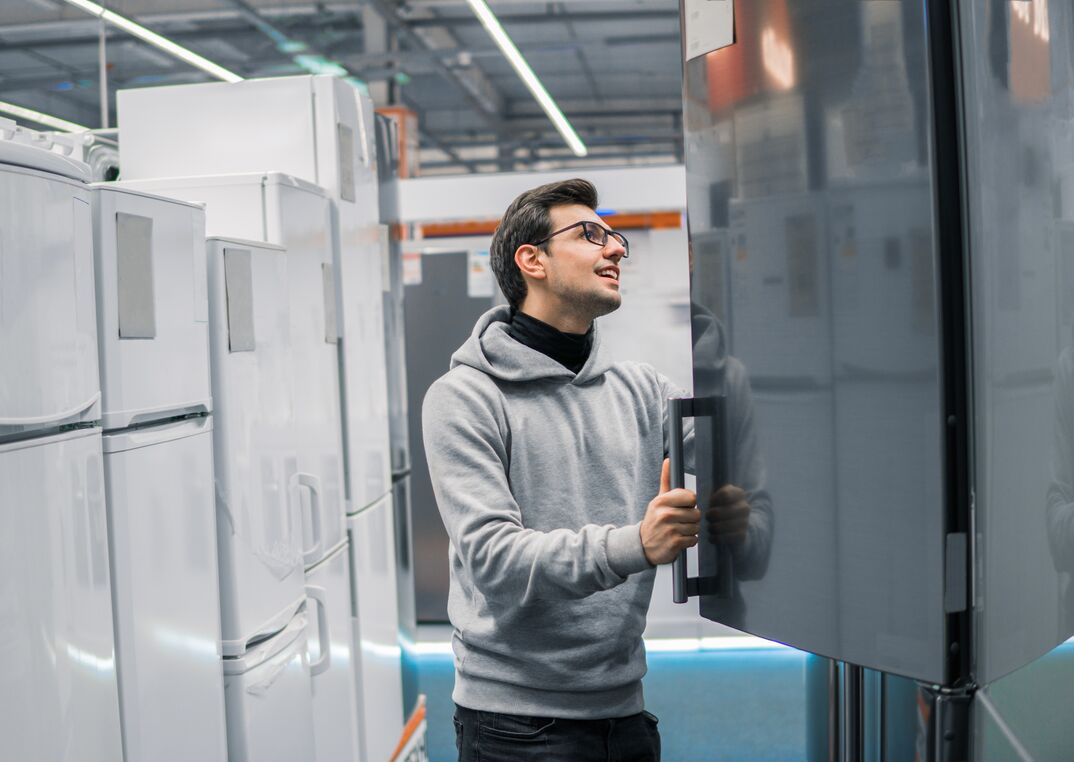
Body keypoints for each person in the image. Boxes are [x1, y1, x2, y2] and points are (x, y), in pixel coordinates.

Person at [422, 178, 766, 761]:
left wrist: (722, 340)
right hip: (515, 727)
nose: (616, 250)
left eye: (615, 238)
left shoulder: (642, 389)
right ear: (531, 260)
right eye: (591, 234)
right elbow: (495, 559)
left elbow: (724, 451)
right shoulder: (465, 397)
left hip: (623, 709)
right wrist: (638, 543)